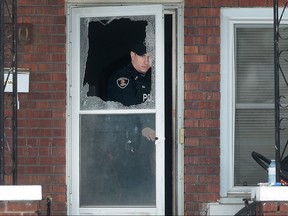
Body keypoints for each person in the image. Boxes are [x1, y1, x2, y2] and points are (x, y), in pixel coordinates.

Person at [107, 41, 155, 141]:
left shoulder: (152, 77)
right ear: (133, 55)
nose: (146, 61)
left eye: (149, 56)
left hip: (148, 138)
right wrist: (145, 127)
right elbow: (129, 112)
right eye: (142, 56)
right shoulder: (122, 78)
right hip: (124, 138)